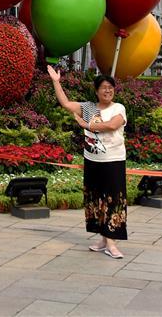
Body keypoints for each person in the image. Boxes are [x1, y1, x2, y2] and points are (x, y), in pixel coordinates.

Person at [48, 67, 128, 259]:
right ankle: (103, 239)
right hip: (92, 160)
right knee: (96, 199)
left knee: (113, 200)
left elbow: (111, 125)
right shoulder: (90, 108)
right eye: (103, 88)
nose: (107, 91)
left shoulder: (118, 108)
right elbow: (66, 104)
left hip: (113, 160)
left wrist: (87, 125)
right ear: (96, 91)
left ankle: (111, 243)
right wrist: (56, 81)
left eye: (110, 87)